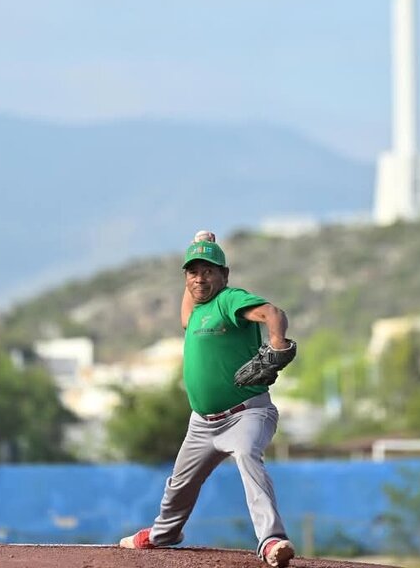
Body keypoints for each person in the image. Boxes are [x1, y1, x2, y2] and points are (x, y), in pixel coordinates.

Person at [119, 231, 298, 568]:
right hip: (202, 423)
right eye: (193, 271)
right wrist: (200, 240)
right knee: (179, 484)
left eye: (208, 270)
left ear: (224, 275)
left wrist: (277, 342)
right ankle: (163, 534)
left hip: (246, 414)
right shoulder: (197, 312)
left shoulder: (229, 300)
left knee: (247, 456)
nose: (200, 278)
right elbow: (187, 310)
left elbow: (274, 313)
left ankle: (271, 539)